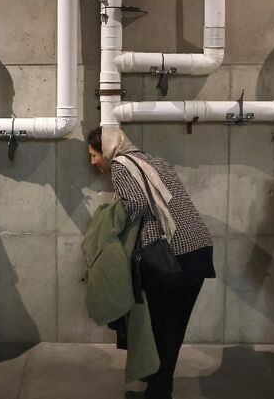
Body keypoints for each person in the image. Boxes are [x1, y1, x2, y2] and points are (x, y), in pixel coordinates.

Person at [87, 126, 215, 399]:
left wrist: (107, 221)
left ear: (107, 150)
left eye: (93, 154)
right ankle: (158, 383)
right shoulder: (153, 160)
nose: (93, 162)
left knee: (160, 328)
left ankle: (159, 392)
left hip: (169, 256)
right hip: (198, 248)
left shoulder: (121, 165)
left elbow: (134, 205)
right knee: (173, 327)